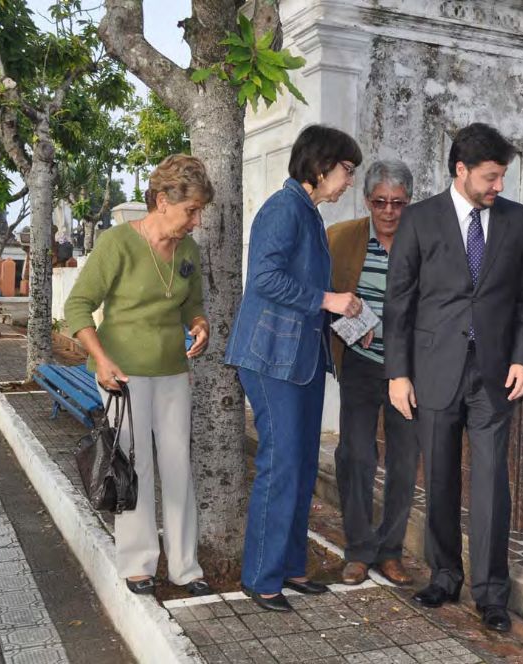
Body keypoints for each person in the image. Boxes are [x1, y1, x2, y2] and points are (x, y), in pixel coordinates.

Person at [383, 123, 523, 632]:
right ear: (462, 171)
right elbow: (399, 303)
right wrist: (398, 374)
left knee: (492, 483)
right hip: (433, 371)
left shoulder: (517, 221)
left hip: (495, 375)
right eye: (491, 177)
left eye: (501, 177)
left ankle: (492, 595)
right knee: (439, 477)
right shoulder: (419, 220)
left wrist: (522, 359)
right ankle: (444, 575)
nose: (498, 186)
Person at [224, 125, 363, 612]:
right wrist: (328, 298)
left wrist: (345, 316)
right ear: (322, 166)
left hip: (300, 361)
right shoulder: (284, 209)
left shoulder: (307, 213)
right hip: (269, 359)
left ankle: (292, 567)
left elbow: (304, 292)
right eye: (347, 171)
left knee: (302, 466)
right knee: (280, 466)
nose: (349, 182)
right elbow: (264, 279)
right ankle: (262, 577)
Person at [65, 154, 214, 597]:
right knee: (133, 465)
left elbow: (191, 304)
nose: (197, 220)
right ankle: (137, 562)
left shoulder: (188, 250)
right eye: (192, 210)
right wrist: (102, 358)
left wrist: (199, 324)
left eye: (200, 211)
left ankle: (185, 566)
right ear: (164, 200)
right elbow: (77, 307)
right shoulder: (117, 244)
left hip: (172, 371)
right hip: (122, 376)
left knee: (177, 466)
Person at [327, 160, 418, 587]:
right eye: (380, 201)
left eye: (397, 203)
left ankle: (390, 551)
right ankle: (359, 550)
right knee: (356, 456)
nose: (388, 211)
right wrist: (350, 325)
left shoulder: (423, 241)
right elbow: (323, 297)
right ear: (366, 200)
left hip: (410, 372)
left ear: (408, 202)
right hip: (360, 366)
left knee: (404, 463)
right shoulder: (341, 239)